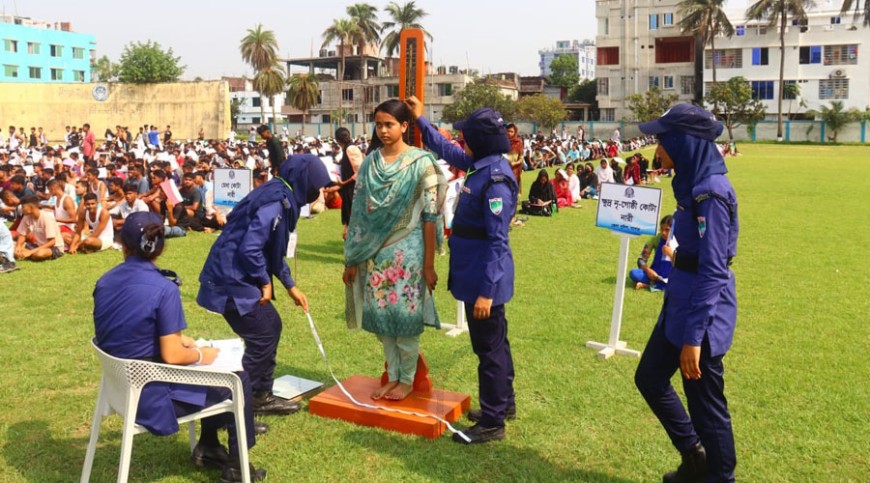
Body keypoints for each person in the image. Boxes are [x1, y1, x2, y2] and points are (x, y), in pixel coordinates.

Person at [93, 212, 266, 482]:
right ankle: (237, 465)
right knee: (236, 378)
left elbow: (125, 328)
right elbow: (173, 355)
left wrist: (175, 341)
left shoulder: (104, 282)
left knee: (213, 374)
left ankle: (209, 446)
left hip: (120, 389)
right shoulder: (164, 289)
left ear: (122, 245)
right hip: (152, 397)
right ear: (161, 248)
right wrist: (200, 354)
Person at [634, 103, 739, 483]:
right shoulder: (692, 185)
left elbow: (713, 270)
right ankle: (695, 457)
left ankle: (720, 477)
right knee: (649, 377)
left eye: (662, 140)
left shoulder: (711, 193)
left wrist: (694, 339)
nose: (657, 148)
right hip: (679, 303)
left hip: (701, 316)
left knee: (706, 407)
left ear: (683, 142)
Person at [405, 96, 518, 445]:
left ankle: (493, 421)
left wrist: (486, 291)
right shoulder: (481, 164)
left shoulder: (495, 180)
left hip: (484, 279)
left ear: (480, 140)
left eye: (467, 136)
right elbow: (447, 149)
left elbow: (497, 241)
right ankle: (503, 404)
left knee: (489, 351)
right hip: (473, 273)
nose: (462, 141)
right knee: (496, 344)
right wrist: (421, 120)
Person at [197, 154, 334, 416]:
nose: (317, 192)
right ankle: (237, 404)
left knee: (268, 327)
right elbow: (250, 248)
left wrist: (290, 285)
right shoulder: (275, 202)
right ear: (302, 180)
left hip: (236, 274)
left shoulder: (280, 195)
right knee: (263, 331)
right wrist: (264, 282)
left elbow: (272, 250)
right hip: (231, 278)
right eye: (315, 185)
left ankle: (258, 395)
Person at [342, 100, 446, 401]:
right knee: (382, 321)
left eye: (389, 124)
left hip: (409, 256)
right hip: (374, 255)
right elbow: (359, 214)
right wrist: (352, 258)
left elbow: (430, 216)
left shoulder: (421, 162)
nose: (383, 130)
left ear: (404, 126)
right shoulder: (370, 163)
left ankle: (407, 380)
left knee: (405, 320)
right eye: (378, 124)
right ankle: (394, 375)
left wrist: (428, 265)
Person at [629, 215, 676, 291]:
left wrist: (670, 254)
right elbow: (641, 260)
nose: (663, 232)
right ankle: (656, 282)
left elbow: (683, 264)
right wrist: (648, 270)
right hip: (655, 274)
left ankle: (650, 284)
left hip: (673, 275)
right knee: (634, 273)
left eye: (667, 230)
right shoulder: (655, 239)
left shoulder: (680, 241)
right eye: (662, 229)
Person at [14, 195, 64, 261]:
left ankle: (27, 254)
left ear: (31, 207)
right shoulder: (26, 217)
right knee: (12, 245)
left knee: (39, 254)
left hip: (53, 247)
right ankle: (26, 253)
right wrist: (18, 246)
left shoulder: (46, 218)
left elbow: (52, 242)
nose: (22, 210)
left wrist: (31, 252)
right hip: (38, 246)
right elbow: (22, 235)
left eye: (23, 207)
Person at [334, 127, 363, 240]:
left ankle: (352, 237)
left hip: (353, 188)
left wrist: (344, 182)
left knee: (352, 214)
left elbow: (359, 171)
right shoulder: (347, 149)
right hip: (348, 188)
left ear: (338, 139)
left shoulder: (351, 149)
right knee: (349, 215)